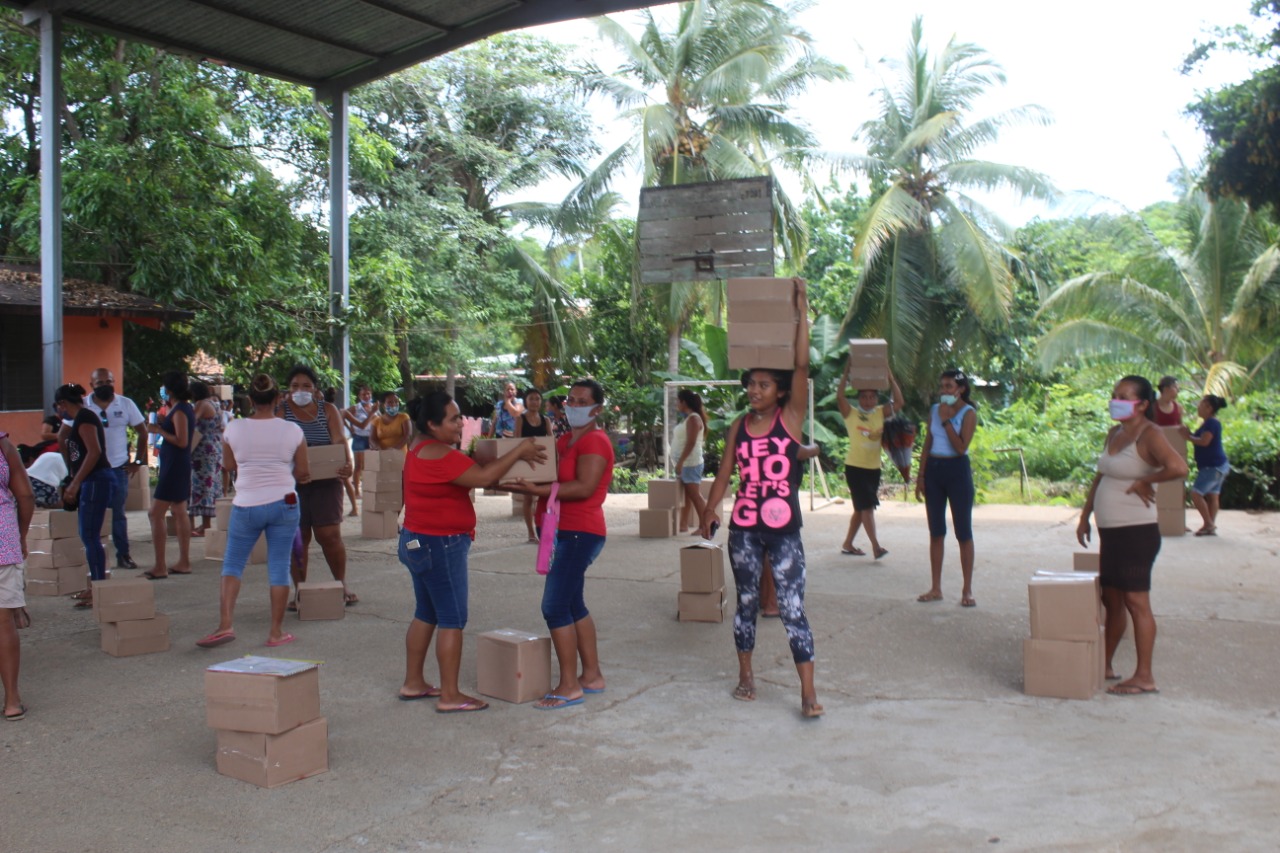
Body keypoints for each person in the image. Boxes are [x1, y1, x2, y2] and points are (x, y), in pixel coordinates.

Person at [699, 280, 823, 719]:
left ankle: (808, 692)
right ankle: (746, 676)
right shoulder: (738, 425)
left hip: (784, 530)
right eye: (750, 384)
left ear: (782, 391)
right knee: (747, 602)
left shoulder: (790, 419)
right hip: (745, 531)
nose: (754, 390)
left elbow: (803, 363)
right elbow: (724, 473)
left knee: (792, 608)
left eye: (763, 385)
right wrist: (711, 508)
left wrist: (801, 307)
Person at [398, 391, 547, 711]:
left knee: (426, 612)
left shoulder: (419, 449)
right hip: (441, 545)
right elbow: (484, 478)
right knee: (452, 618)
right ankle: (450, 696)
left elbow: (471, 474)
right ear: (431, 424)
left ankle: (414, 682)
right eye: (453, 419)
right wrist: (520, 449)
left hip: (414, 541)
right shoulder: (442, 454)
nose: (460, 423)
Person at [506, 378, 614, 710]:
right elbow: (550, 474)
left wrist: (539, 491)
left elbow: (583, 487)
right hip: (562, 530)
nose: (573, 405)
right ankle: (591, 675)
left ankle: (569, 685)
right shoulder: (565, 439)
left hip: (580, 532)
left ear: (597, 409)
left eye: (582, 402)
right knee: (572, 604)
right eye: (571, 399)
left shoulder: (595, 441)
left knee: (554, 607)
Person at [1077, 375, 1187, 695]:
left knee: (1136, 601)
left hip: (1136, 533)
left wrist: (1146, 480)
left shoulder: (1150, 435)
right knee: (1111, 600)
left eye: (1123, 396)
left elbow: (1178, 468)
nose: (1115, 399)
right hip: (1110, 532)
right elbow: (1100, 477)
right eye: (1114, 394)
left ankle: (1144, 676)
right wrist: (1085, 517)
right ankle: (1106, 663)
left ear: (1141, 404)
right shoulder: (1115, 432)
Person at [196, 375, 309, 650]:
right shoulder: (293, 430)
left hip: (246, 503)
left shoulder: (233, 429)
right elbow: (304, 472)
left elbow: (229, 464)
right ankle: (276, 632)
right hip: (285, 502)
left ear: (249, 400)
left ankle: (225, 625)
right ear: (278, 399)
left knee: (233, 564)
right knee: (279, 567)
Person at [279, 365, 356, 605]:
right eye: (294, 386)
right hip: (292, 484)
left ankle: (340, 584)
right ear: (288, 390)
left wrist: (348, 465)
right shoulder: (281, 412)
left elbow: (339, 440)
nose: (300, 390)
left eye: (306, 386)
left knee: (329, 535)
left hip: (327, 480)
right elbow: (278, 448)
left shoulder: (329, 410)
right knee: (297, 536)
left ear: (315, 389)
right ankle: (299, 589)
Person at [915, 370, 978, 607]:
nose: (944, 391)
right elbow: (928, 443)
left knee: (963, 532)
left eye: (949, 387)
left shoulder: (968, 413)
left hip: (957, 471)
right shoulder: (934, 410)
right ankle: (936, 587)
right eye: (942, 386)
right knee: (936, 532)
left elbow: (961, 447)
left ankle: (967, 590)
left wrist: (946, 421)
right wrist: (921, 475)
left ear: (960, 389)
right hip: (934, 469)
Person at [54, 383, 117, 602]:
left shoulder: (85, 418)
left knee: (90, 535)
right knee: (88, 535)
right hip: (92, 480)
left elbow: (94, 451)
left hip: (95, 480)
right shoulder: (82, 418)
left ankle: (98, 589)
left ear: (62, 404)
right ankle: (96, 586)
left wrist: (75, 483)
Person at [837, 362, 904, 559]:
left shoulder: (880, 412)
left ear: (876, 398)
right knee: (867, 507)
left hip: (873, 468)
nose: (868, 401)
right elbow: (840, 396)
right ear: (859, 399)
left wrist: (890, 379)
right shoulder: (851, 413)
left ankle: (848, 543)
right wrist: (847, 371)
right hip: (855, 468)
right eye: (864, 397)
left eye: (872, 397)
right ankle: (876, 546)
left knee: (861, 508)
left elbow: (899, 403)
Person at [82, 368, 148, 569]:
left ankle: (123, 554)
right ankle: (92, 558)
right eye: (100, 383)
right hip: (91, 470)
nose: (105, 385)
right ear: (92, 385)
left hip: (118, 469)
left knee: (118, 514)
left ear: (114, 382)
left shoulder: (125, 403)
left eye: (108, 381)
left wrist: (138, 461)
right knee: (92, 515)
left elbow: (143, 432)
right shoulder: (84, 406)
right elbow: (65, 434)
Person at [144, 372, 195, 579]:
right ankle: (183, 561)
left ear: (170, 390)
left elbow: (182, 441)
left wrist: (159, 429)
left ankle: (160, 565)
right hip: (174, 464)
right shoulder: (178, 409)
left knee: (155, 513)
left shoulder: (181, 410)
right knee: (179, 510)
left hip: (175, 466)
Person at [1, 432, 34, 721]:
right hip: (2, 542)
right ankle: (12, 700)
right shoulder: (4, 445)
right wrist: (20, 536)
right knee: (4, 624)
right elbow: (24, 494)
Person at [1182, 394, 1230, 537]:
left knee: (1196, 493)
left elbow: (1204, 441)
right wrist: (1190, 434)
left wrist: (1187, 437)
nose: (1198, 407)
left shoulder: (1211, 423)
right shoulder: (1210, 422)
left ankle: (1209, 523)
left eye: (1201, 405)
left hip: (1212, 466)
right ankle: (1209, 525)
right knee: (1213, 496)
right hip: (1218, 465)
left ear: (1209, 408)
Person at [187, 381, 224, 537]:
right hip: (214, 448)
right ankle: (206, 524)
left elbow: (191, 421)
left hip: (202, 450)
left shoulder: (201, 405)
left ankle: (194, 526)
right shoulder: (215, 404)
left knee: (198, 485)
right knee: (209, 485)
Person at [515, 388, 549, 543]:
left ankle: (546, 529)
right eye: (531, 399)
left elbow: (551, 441)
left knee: (545, 497)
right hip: (526, 462)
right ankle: (531, 532)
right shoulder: (520, 419)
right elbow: (515, 442)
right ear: (526, 401)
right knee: (528, 498)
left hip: (542, 461)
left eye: (537, 398)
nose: (534, 402)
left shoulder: (546, 420)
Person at [672, 390, 708, 535]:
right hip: (687, 463)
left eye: (678, 401)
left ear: (684, 402)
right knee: (688, 495)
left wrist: (680, 462)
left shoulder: (694, 419)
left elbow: (691, 442)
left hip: (690, 463)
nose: (676, 404)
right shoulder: (689, 418)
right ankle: (683, 524)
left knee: (695, 495)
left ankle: (705, 525)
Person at [325, 387, 358, 517]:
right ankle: (354, 507)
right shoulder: (339, 412)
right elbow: (358, 425)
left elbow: (357, 425)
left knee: (343, 479)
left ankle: (354, 507)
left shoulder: (336, 411)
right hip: (333, 447)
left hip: (336, 447)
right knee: (343, 480)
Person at [342, 385, 376, 500]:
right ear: (359, 396)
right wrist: (349, 427)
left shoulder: (373, 407)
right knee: (358, 466)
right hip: (359, 438)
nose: (366, 396)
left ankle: (367, 490)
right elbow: (342, 416)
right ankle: (356, 491)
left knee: (369, 467)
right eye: (363, 394)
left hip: (371, 439)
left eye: (368, 394)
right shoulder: (355, 408)